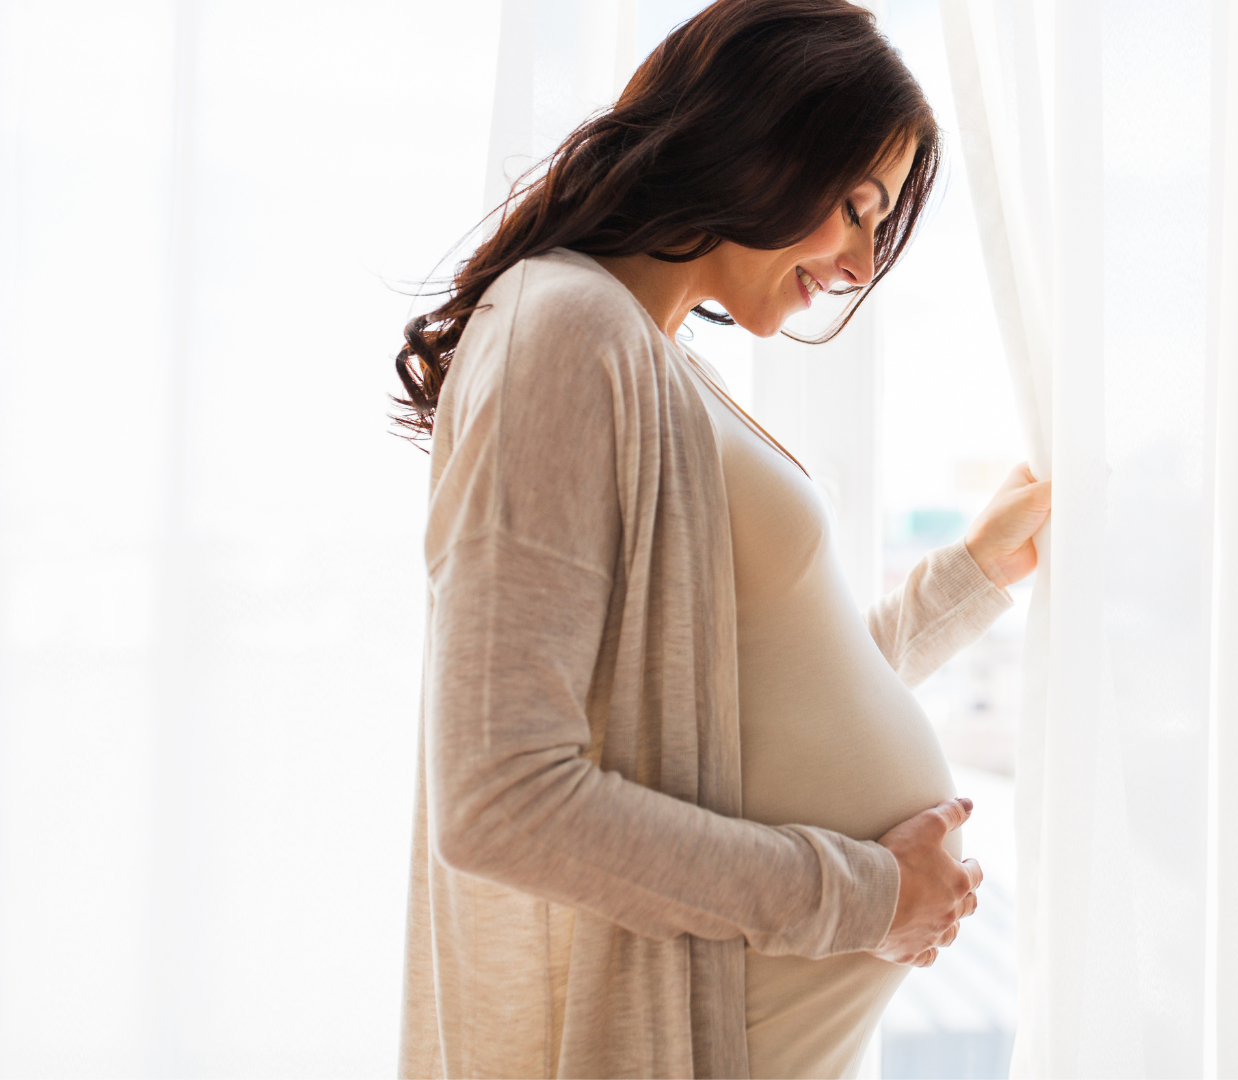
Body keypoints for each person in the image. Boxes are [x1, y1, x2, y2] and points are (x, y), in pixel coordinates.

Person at [388, 1, 1051, 1076]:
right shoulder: (565, 330)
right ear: (763, 136)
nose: (857, 263)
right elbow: (499, 800)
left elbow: (744, 714)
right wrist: (869, 898)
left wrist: (972, 578)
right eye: (854, 206)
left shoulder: (645, 358)